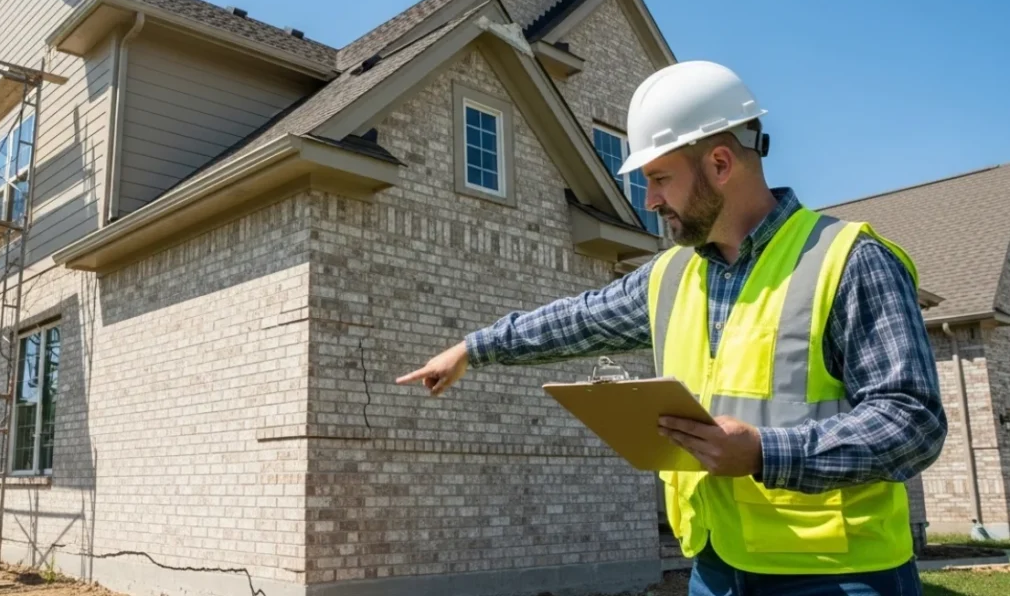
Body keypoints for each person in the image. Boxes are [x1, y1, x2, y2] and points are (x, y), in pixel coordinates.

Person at [396, 60, 946, 596]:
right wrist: (474, 347)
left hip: (839, 574)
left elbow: (912, 422)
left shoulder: (848, 260)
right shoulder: (672, 275)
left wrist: (763, 453)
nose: (650, 199)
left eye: (660, 178)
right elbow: (578, 320)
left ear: (721, 164)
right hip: (716, 563)